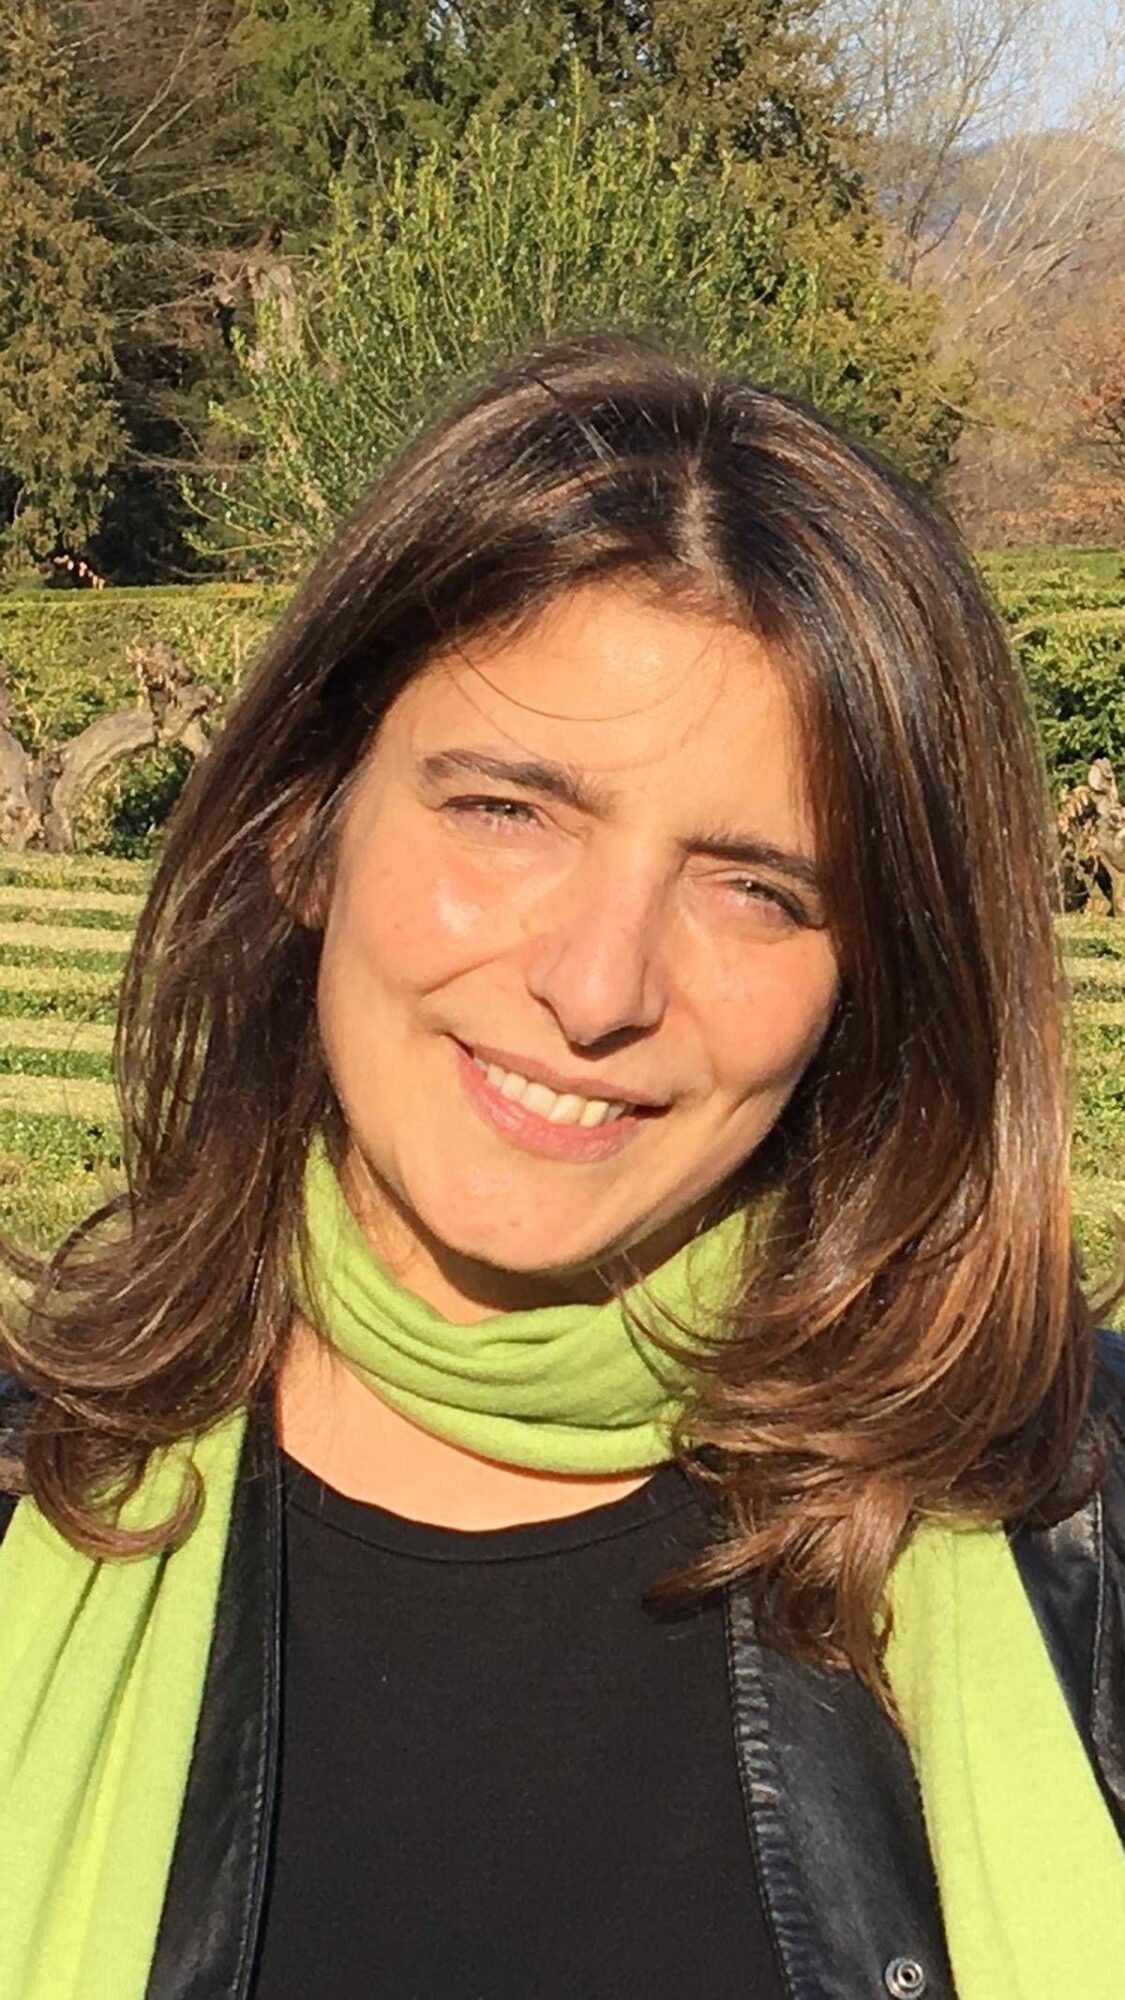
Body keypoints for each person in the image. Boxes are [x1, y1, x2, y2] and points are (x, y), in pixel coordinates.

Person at [0, 329, 1122, 2000]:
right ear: (307, 825)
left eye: (756, 888)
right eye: (506, 812)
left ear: (875, 985)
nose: (598, 989)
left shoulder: (1078, 1543)